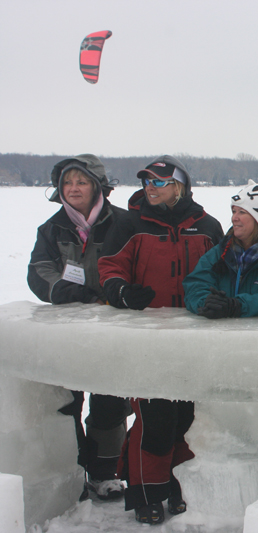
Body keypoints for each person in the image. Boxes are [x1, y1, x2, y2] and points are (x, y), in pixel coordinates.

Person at [98, 155, 223, 524]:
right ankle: (146, 493)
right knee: (155, 420)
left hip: (195, 339)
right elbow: (110, 266)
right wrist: (120, 291)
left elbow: (226, 270)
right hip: (149, 340)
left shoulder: (208, 225)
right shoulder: (129, 223)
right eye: (146, 182)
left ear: (179, 185)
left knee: (187, 419)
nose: (149, 188)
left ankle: (177, 487)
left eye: (158, 182)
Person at [27, 154, 129, 501]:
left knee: (110, 400)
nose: (73, 188)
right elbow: (39, 268)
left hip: (111, 324)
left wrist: (115, 292)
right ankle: (70, 470)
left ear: (97, 186)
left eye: (81, 182)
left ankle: (104, 473)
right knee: (65, 402)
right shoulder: (52, 228)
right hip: (66, 326)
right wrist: (64, 290)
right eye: (67, 182)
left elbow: (135, 262)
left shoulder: (123, 223)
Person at [183, 180, 258, 320]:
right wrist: (208, 303)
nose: (234, 218)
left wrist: (238, 306)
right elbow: (195, 285)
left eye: (242, 212)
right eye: (233, 211)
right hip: (222, 337)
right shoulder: (221, 252)